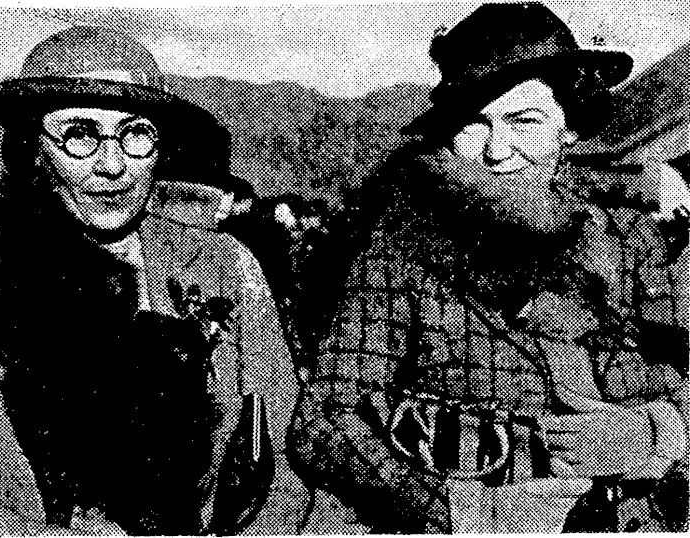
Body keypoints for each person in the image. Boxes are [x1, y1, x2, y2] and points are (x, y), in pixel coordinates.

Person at [288, 3, 688, 534]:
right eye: (475, 125)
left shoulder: (629, 246)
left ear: (567, 130)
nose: (498, 150)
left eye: (525, 122)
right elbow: (325, 424)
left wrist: (652, 441)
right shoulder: (400, 253)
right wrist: (445, 511)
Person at [0, 26, 305, 536]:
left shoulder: (222, 267)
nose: (112, 165)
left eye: (135, 135)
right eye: (80, 136)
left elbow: (279, 471)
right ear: (37, 148)